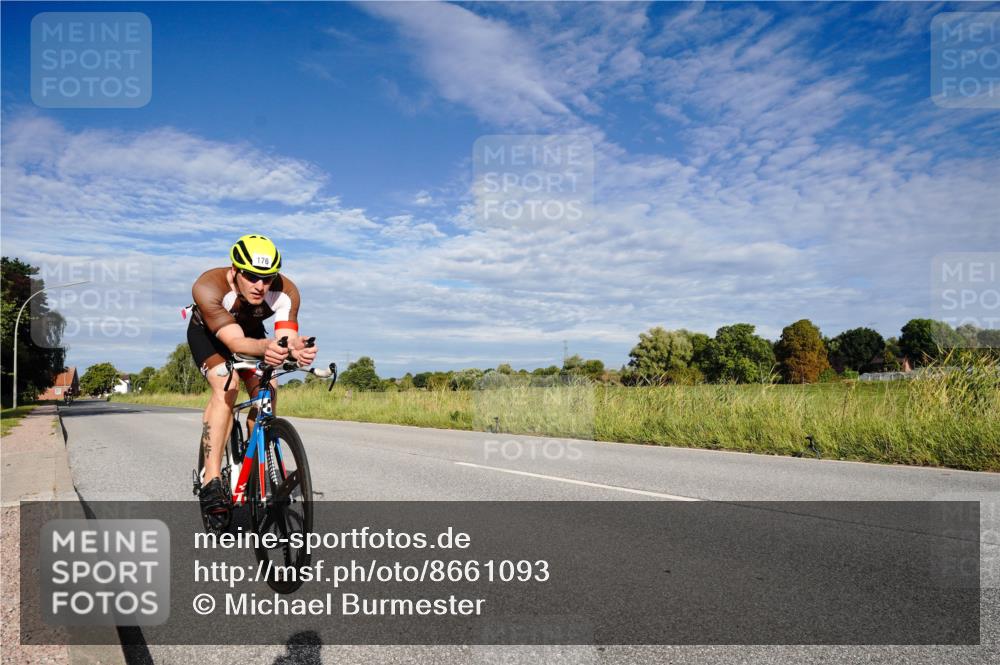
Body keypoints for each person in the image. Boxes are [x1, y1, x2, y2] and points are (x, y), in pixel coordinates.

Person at [187, 234, 317, 529]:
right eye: (252, 276)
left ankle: (256, 456)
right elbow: (234, 343)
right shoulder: (209, 286)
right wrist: (266, 348)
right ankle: (211, 480)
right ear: (235, 271)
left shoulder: (287, 292)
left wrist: (295, 347)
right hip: (210, 335)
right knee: (227, 384)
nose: (260, 285)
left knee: (268, 388)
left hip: (252, 331)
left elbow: (284, 336)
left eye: (268, 278)